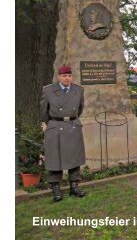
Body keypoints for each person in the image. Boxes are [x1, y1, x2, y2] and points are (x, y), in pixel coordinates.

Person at [40, 65, 86, 202]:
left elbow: (80, 108)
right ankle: (56, 189)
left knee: (74, 157)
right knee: (55, 159)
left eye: (69, 76)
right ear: (59, 77)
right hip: (56, 126)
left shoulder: (78, 90)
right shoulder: (48, 90)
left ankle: (74, 186)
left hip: (72, 125)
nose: (67, 78)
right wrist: (53, 124)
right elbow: (43, 112)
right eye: (64, 76)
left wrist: (71, 120)